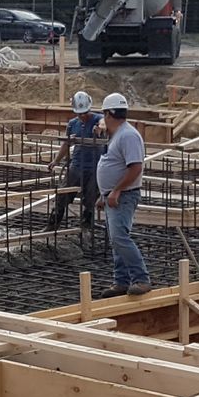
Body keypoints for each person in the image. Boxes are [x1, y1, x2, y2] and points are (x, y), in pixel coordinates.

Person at [94, 92, 150, 296]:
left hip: (124, 195)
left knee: (119, 237)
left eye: (104, 115)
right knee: (116, 239)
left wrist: (116, 190)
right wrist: (105, 194)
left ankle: (141, 279)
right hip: (113, 196)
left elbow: (135, 167)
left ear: (109, 113)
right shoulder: (117, 134)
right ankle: (121, 281)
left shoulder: (128, 135)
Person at [49, 90, 103, 231]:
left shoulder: (99, 119)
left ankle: (86, 226)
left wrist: (100, 129)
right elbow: (66, 144)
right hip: (77, 165)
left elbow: (105, 123)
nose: (82, 116)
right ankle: (53, 224)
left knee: (90, 198)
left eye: (85, 113)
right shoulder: (73, 124)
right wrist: (56, 161)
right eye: (79, 114)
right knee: (63, 194)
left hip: (95, 167)